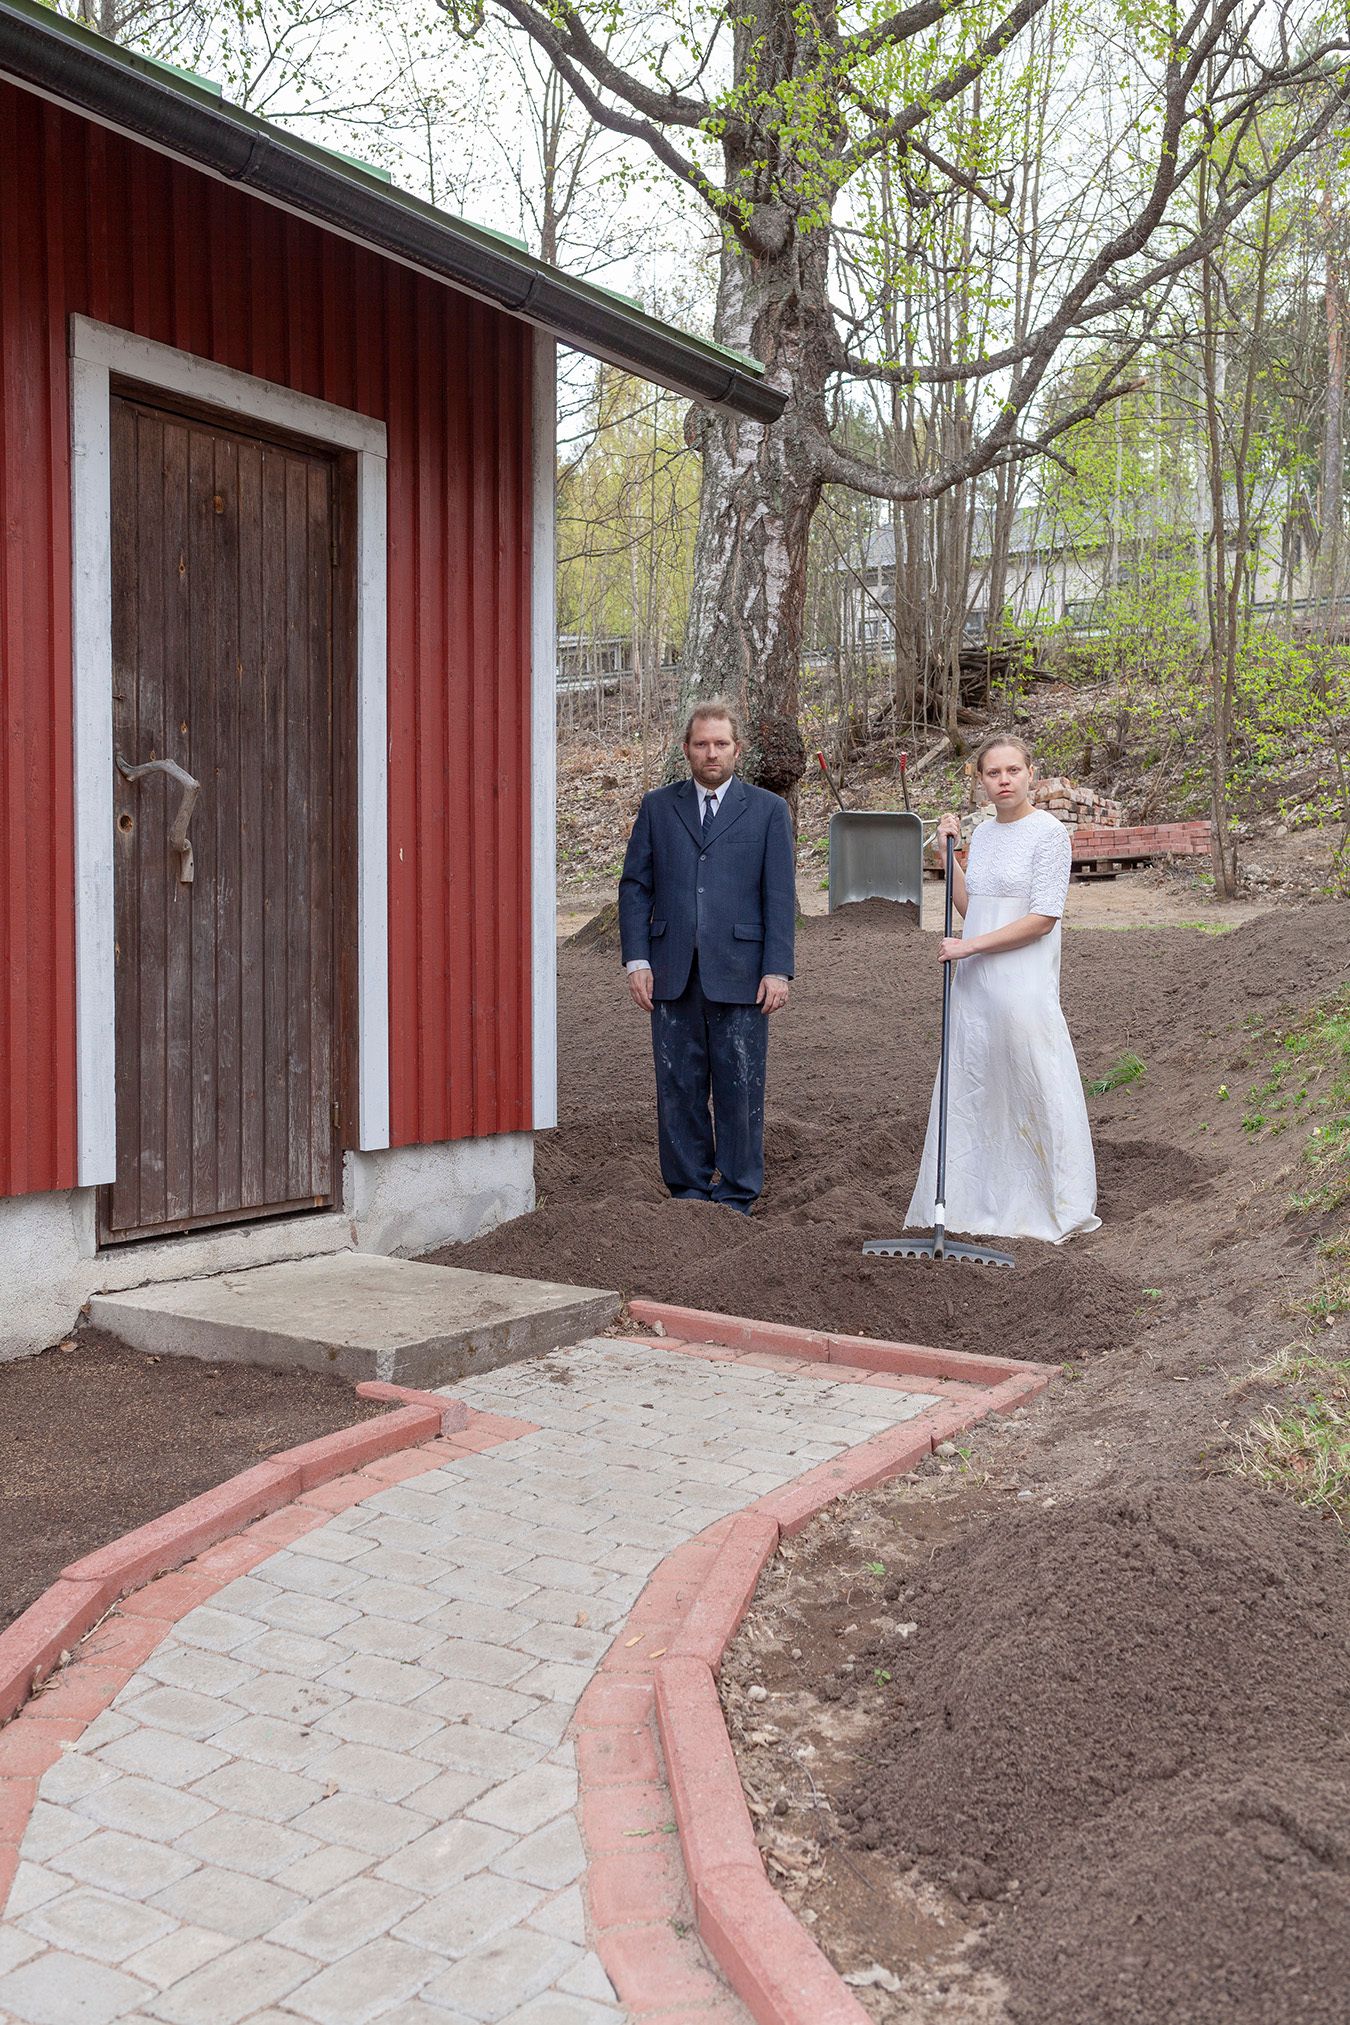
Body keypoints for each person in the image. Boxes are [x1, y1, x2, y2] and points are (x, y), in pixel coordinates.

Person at [905, 733, 1100, 1245]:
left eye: (1013, 770)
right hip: (976, 986)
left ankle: (1050, 1199)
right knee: (979, 1083)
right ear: (981, 782)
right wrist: (951, 858)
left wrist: (968, 949)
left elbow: (1041, 919)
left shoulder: (1050, 834)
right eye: (994, 773)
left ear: (1031, 773)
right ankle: (979, 1198)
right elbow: (974, 909)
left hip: (1022, 982)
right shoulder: (984, 834)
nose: (1004, 780)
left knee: (1031, 1076)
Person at [618, 701, 795, 1211]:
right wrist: (638, 960)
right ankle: (689, 1188)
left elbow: (779, 895)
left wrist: (777, 968)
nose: (711, 753)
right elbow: (636, 886)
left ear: (737, 749)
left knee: (740, 1085)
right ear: (686, 750)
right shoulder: (658, 806)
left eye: (720, 744)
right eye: (701, 744)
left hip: (742, 972)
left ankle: (738, 1191)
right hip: (671, 971)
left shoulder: (766, 810)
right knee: (678, 1083)